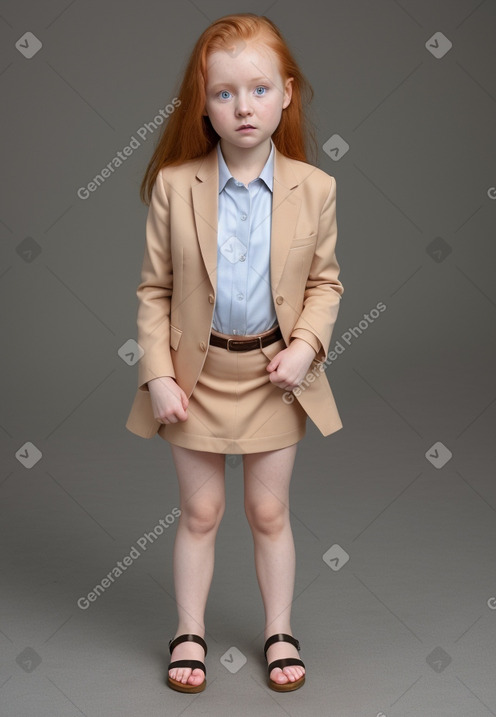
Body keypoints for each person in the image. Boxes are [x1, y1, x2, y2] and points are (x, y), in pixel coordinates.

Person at [125, 12, 344, 693]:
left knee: (269, 512)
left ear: (286, 94)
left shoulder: (316, 188)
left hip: (274, 377)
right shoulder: (174, 186)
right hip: (196, 376)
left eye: (256, 89)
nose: (241, 106)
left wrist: (306, 346)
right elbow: (154, 291)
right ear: (203, 104)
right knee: (200, 512)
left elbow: (325, 284)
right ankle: (188, 629)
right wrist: (158, 374)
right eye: (223, 93)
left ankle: (279, 629)